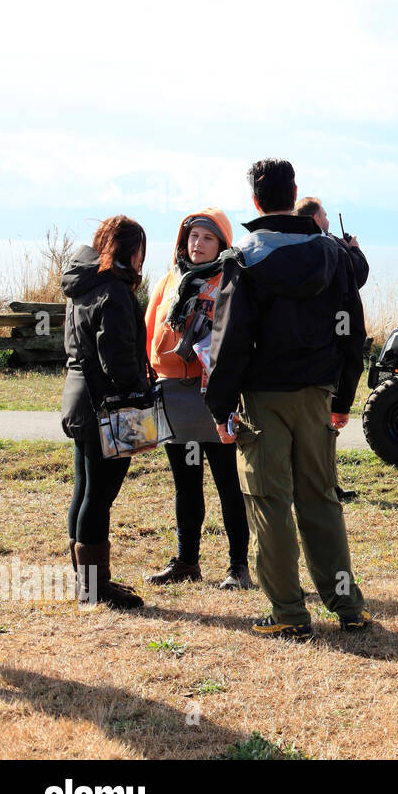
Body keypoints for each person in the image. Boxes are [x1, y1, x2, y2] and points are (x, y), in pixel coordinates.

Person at [205, 159, 369, 640]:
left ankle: (288, 613)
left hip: (263, 397)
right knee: (320, 498)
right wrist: (343, 395)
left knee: (268, 501)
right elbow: (352, 332)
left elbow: (229, 339)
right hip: (317, 393)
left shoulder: (242, 258)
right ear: (294, 191)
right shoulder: (333, 254)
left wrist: (220, 406)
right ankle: (348, 606)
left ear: (255, 199)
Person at [142, 209, 252, 589]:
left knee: (228, 484)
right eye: (192, 236)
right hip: (173, 393)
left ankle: (238, 567)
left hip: (215, 395)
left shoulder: (231, 280)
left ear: (222, 243)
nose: (197, 243)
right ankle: (187, 561)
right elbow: (150, 326)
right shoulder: (171, 280)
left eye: (207, 237)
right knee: (185, 485)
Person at [61, 215, 150, 609]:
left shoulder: (84, 286)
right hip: (105, 407)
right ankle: (95, 588)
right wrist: (139, 396)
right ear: (131, 251)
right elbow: (116, 355)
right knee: (99, 495)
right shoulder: (113, 291)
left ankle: (87, 582)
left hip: (79, 400)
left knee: (85, 491)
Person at [295, 196, 367, 502]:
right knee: (322, 429)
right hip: (331, 351)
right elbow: (357, 277)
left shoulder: (294, 248)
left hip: (302, 352)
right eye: (324, 214)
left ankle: (317, 484)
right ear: (315, 218)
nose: (327, 219)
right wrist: (356, 250)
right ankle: (326, 486)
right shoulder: (332, 249)